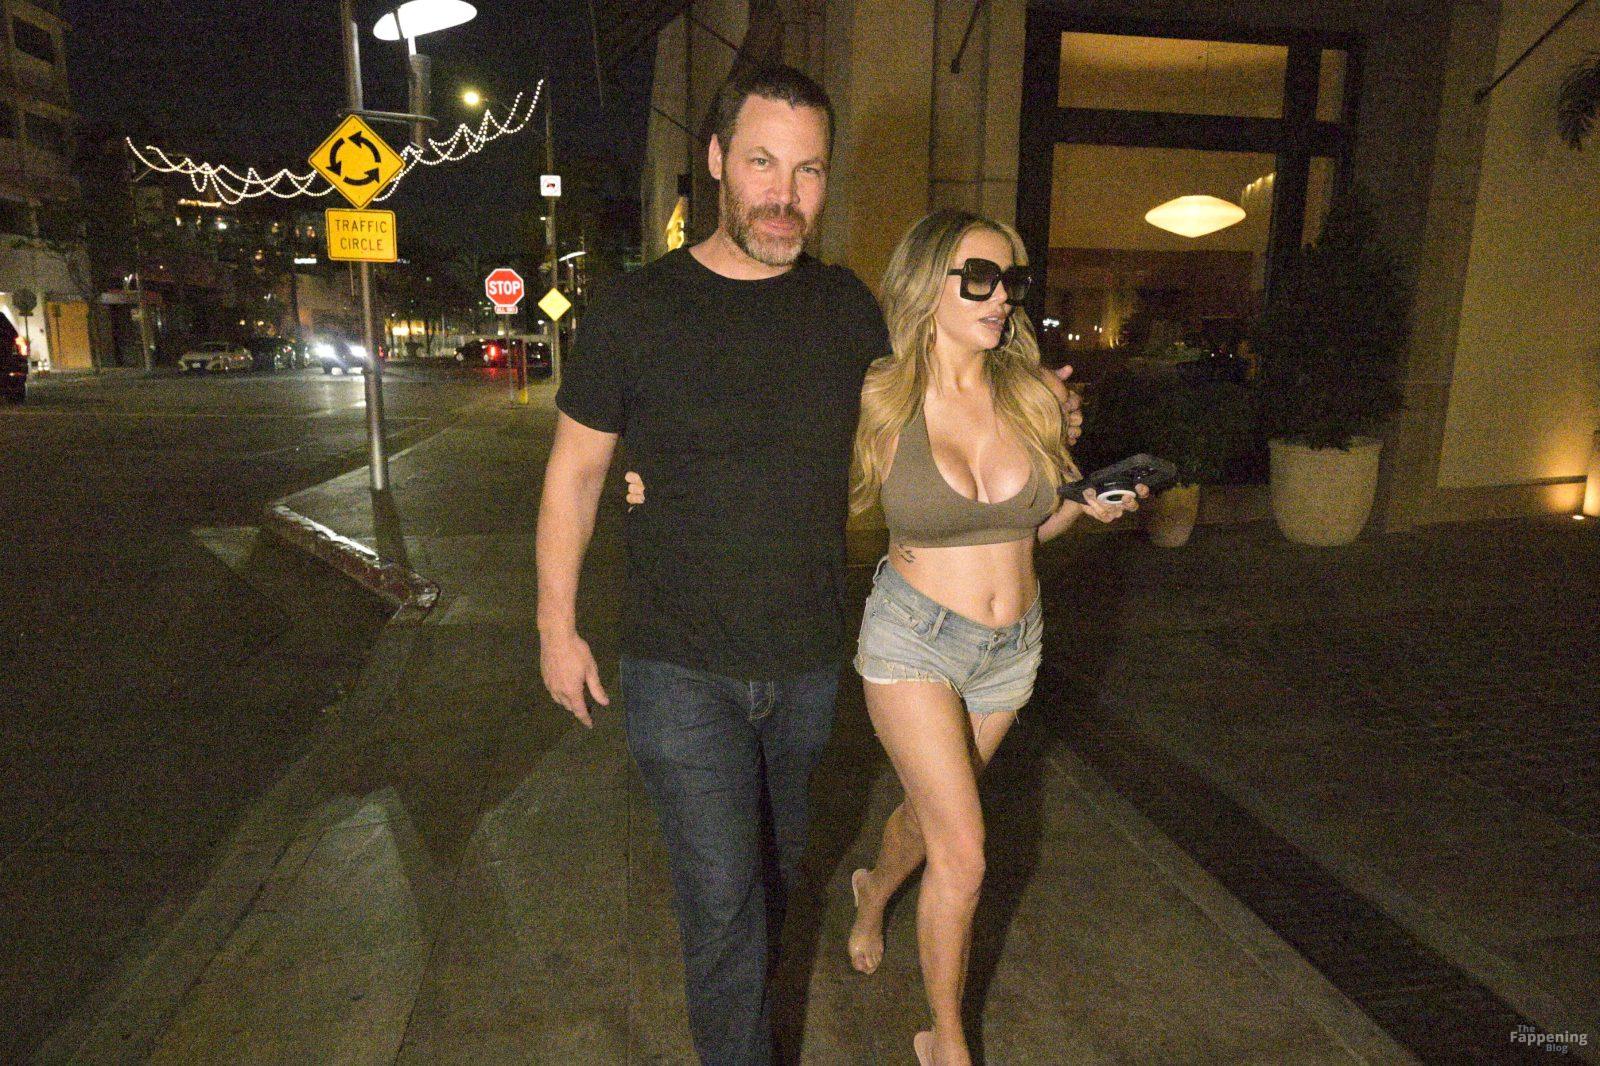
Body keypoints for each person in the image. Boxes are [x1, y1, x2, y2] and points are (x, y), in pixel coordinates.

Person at [536, 64, 888, 1066]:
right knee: (725, 907)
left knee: (773, 889)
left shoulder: (846, 309)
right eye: (764, 163)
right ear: (718, 161)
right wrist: (556, 627)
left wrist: (1032, 422)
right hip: (679, 666)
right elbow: (574, 475)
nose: (786, 193)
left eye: (808, 170)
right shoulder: (635, 309)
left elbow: (911, 438)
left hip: (808, 661)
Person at [845, 208, 1140, 1066]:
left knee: (932, 817)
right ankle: (947, 1041)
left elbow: (1030, 528)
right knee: (966, 853)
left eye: (1010, 280)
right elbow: (770, 461)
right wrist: (656, 482)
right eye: (978, 278)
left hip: (1011, 652)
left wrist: (1086, 506)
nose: (1000, 297)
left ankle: (873, 893)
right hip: (913, 642)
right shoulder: (878, 396)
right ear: (925, 283)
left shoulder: (1031, 394)